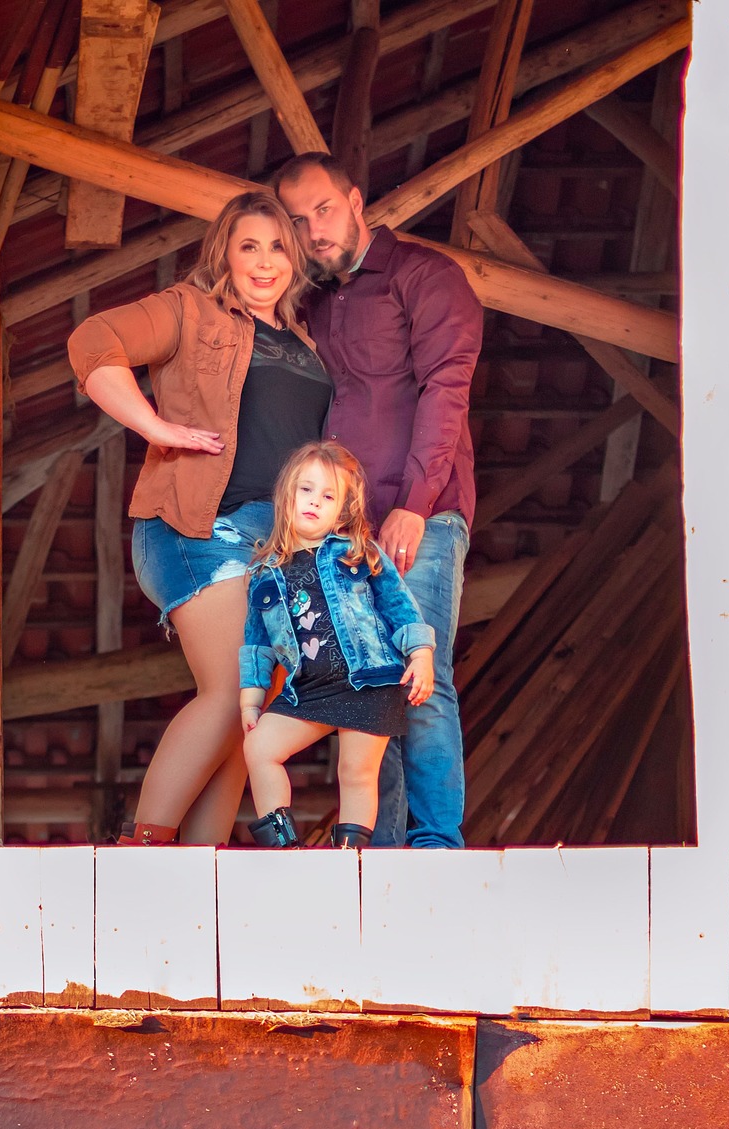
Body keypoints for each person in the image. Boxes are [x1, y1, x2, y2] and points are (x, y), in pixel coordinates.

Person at [68, 190, 332, 845]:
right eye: (249, 246)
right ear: (225, 253)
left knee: (254, 708)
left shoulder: (306, 338)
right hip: (202, 529)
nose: (265, 262)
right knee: (235, 688)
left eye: (278, 246)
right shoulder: (192, 309)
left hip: (277, 545)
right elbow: (92, 341)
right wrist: (157, 426)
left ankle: (198, 863)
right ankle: (146, 846)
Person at [276, 155, 483, 849]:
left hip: (415, 511)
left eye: (324, 210)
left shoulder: (424, 277)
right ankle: (384, 853)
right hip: (344, 529)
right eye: (298, 222)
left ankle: (435, 847)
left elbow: (445, 389)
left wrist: (416, 502)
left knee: (419, 677)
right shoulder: (316, 300)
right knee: (369, 688)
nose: (313, 230)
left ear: (356, 201)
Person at [239, 441, 434, 849]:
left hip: (369, 681)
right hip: (307, 692)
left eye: (328, 496)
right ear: (286, 495)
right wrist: (251, 700)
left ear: (342, 510)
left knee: (356, 773)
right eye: (305, 490)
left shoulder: (358, 553)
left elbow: (400, 608)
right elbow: (256, 644)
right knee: (259, 747)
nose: (314, 502)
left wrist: (421, 653)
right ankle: (282, 848)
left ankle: (349, 859)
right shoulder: (263, 573)